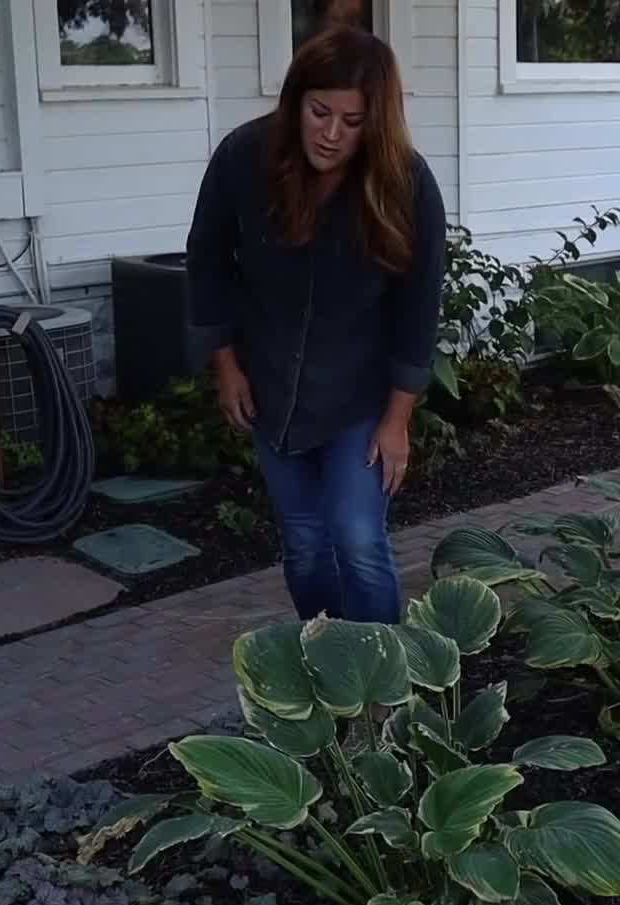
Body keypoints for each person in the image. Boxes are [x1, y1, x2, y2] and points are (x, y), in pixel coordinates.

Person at [186, 26, 446, 625]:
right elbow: (205, 263)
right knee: (304, 547)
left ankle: (383, 690)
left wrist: (397, 421)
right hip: (273, 393)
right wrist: (225, 367)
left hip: (359, 399)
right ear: (296, 102)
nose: (331, 134)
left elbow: (418, 305)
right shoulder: (241, 160)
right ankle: (330, 673)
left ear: (375, 123)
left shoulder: (405, 184)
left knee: (358, 541)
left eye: (352, 121)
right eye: (319, 111)